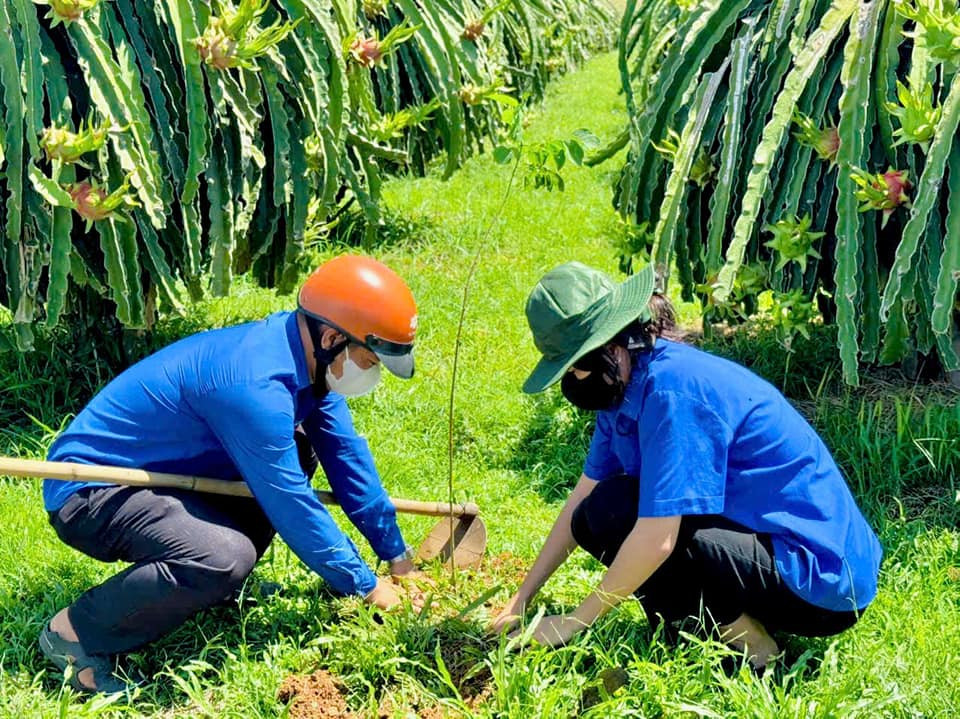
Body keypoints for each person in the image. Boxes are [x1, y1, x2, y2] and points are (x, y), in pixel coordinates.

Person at [39, 254, 422, 694]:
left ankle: (206, 587)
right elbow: (292, 505)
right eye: (371, 360)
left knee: (298, 450)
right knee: (221, 557)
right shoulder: (254, 385)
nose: (373, 373)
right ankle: (75, 633)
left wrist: (397, 557)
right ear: (333, 337)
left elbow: (347, 458)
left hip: (173, 474)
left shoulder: (310, 364)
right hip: (95, 489)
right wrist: (367, 587)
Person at [490, 261, 883, 670]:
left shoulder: (672, 392)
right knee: (600, 513)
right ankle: (698, 625)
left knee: (641, 523)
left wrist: (573, 622)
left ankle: (756, 648)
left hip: (820, 577)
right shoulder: (621, 386)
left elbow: (658, 538)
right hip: (760, 544)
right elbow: (583, 496)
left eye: (577, 364)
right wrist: (522, 597)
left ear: (612, 346)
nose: (575, 377)